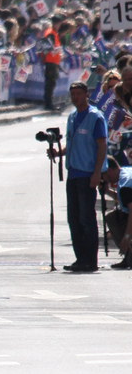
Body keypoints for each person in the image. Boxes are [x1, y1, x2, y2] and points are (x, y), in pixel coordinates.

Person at [52, 80, 108, 273]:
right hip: (73, 174)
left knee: (86, 218)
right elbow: (72, 143)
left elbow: (101, 145)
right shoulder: (72, 117)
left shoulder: (95, 117)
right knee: (74, 219)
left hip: (87, 175)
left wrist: (97, 173)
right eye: (72, 94)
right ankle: (80, 258)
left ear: (86, 95)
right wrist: (58, 153)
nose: (75, 97)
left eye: (78, 94)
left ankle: (90, 260)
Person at [100, 156, 132, 268]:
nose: (104, 180)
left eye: (102, 176)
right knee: (113, 216)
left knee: (114, 219)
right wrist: (107, 191)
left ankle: (130, 256)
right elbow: (126, 201)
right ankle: (129, 257)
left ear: (108, 170)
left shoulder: (124, 185)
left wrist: (127, 237)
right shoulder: (126, 172)